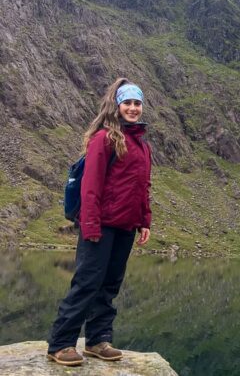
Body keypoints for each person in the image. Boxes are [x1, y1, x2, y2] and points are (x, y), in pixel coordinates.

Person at [46, 78, 152, 366]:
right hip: (101, 225)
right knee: (87, 283)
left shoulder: (142, 145)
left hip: (126, 227)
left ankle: (97, 340)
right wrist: (90, 225)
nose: (132, 108)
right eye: (127, 102)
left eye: (137, 103)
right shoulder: (104, 138)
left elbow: (142, 187)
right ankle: (60, 343)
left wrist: (145, 221)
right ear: (117, 105)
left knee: (110, 285)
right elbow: (90, 187)